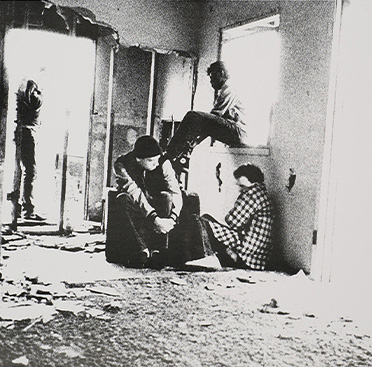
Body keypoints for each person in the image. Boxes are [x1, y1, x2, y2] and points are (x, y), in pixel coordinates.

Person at [110, 135, 183, 268]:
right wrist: (154, 218)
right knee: (122, 199)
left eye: (157, 159)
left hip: (158, 205)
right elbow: (135, 192)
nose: (156, 163)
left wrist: (172, 218)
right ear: (139, 159)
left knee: (166, 196)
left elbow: (176, 192)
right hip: (137, 207)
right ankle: (141, 250)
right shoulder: (121, 165)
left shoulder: (164, 163)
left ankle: (159, 250)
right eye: (150, 160)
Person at [165, 61, 248, 175]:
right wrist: (195, 142)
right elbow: (210, 126)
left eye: (212, 78)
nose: (211, 82)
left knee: (192, 116)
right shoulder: (228, 89)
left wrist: (195, 141)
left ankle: (169, 155)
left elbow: (213, 117)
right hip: (237, 134)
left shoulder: (230, 88)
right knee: (197, 121)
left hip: (239, 133)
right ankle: (180, 155)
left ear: (221, 73)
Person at [201, 164, 274, 270]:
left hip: (247, 256)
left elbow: (233, 222)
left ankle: (210, 256)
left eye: (242, 186)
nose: (240, 190)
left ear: (254, 183)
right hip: (259, 255)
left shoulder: (251, 195)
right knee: (207, 218)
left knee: (202, 222)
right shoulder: (262, 193)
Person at [15, 79, 45, 221]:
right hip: (28, 133)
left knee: (22, 171)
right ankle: (28, 210)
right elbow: (37, 99)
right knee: (30, 171)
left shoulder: (21, 97)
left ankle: (18, 209)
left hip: (21, 132)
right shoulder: (35, 99)